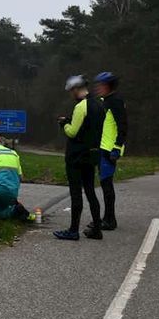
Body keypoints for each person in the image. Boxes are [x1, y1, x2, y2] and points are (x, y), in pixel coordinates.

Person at [55, 75, 106, 241]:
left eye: (71, 91)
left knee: (76, 193)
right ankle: (97, 229)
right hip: (92, 154)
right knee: (91, 192)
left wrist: (64, 123)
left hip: (76, 156)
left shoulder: (80, 106)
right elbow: (89, 127)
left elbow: (73, 132)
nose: (71, 95)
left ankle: (73, 230)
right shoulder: (99, 104)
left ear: (76, 89)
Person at [95, 71, 127, 230]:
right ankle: (106, 218)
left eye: (101, 85)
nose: (98, 88)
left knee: (107, 185)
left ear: (108, 86)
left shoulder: (115, 102)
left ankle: (110, 220)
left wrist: (117, 146)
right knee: (104, 183)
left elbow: (123, 126)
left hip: (110, 149)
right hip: (103, 147)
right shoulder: (106, 101)